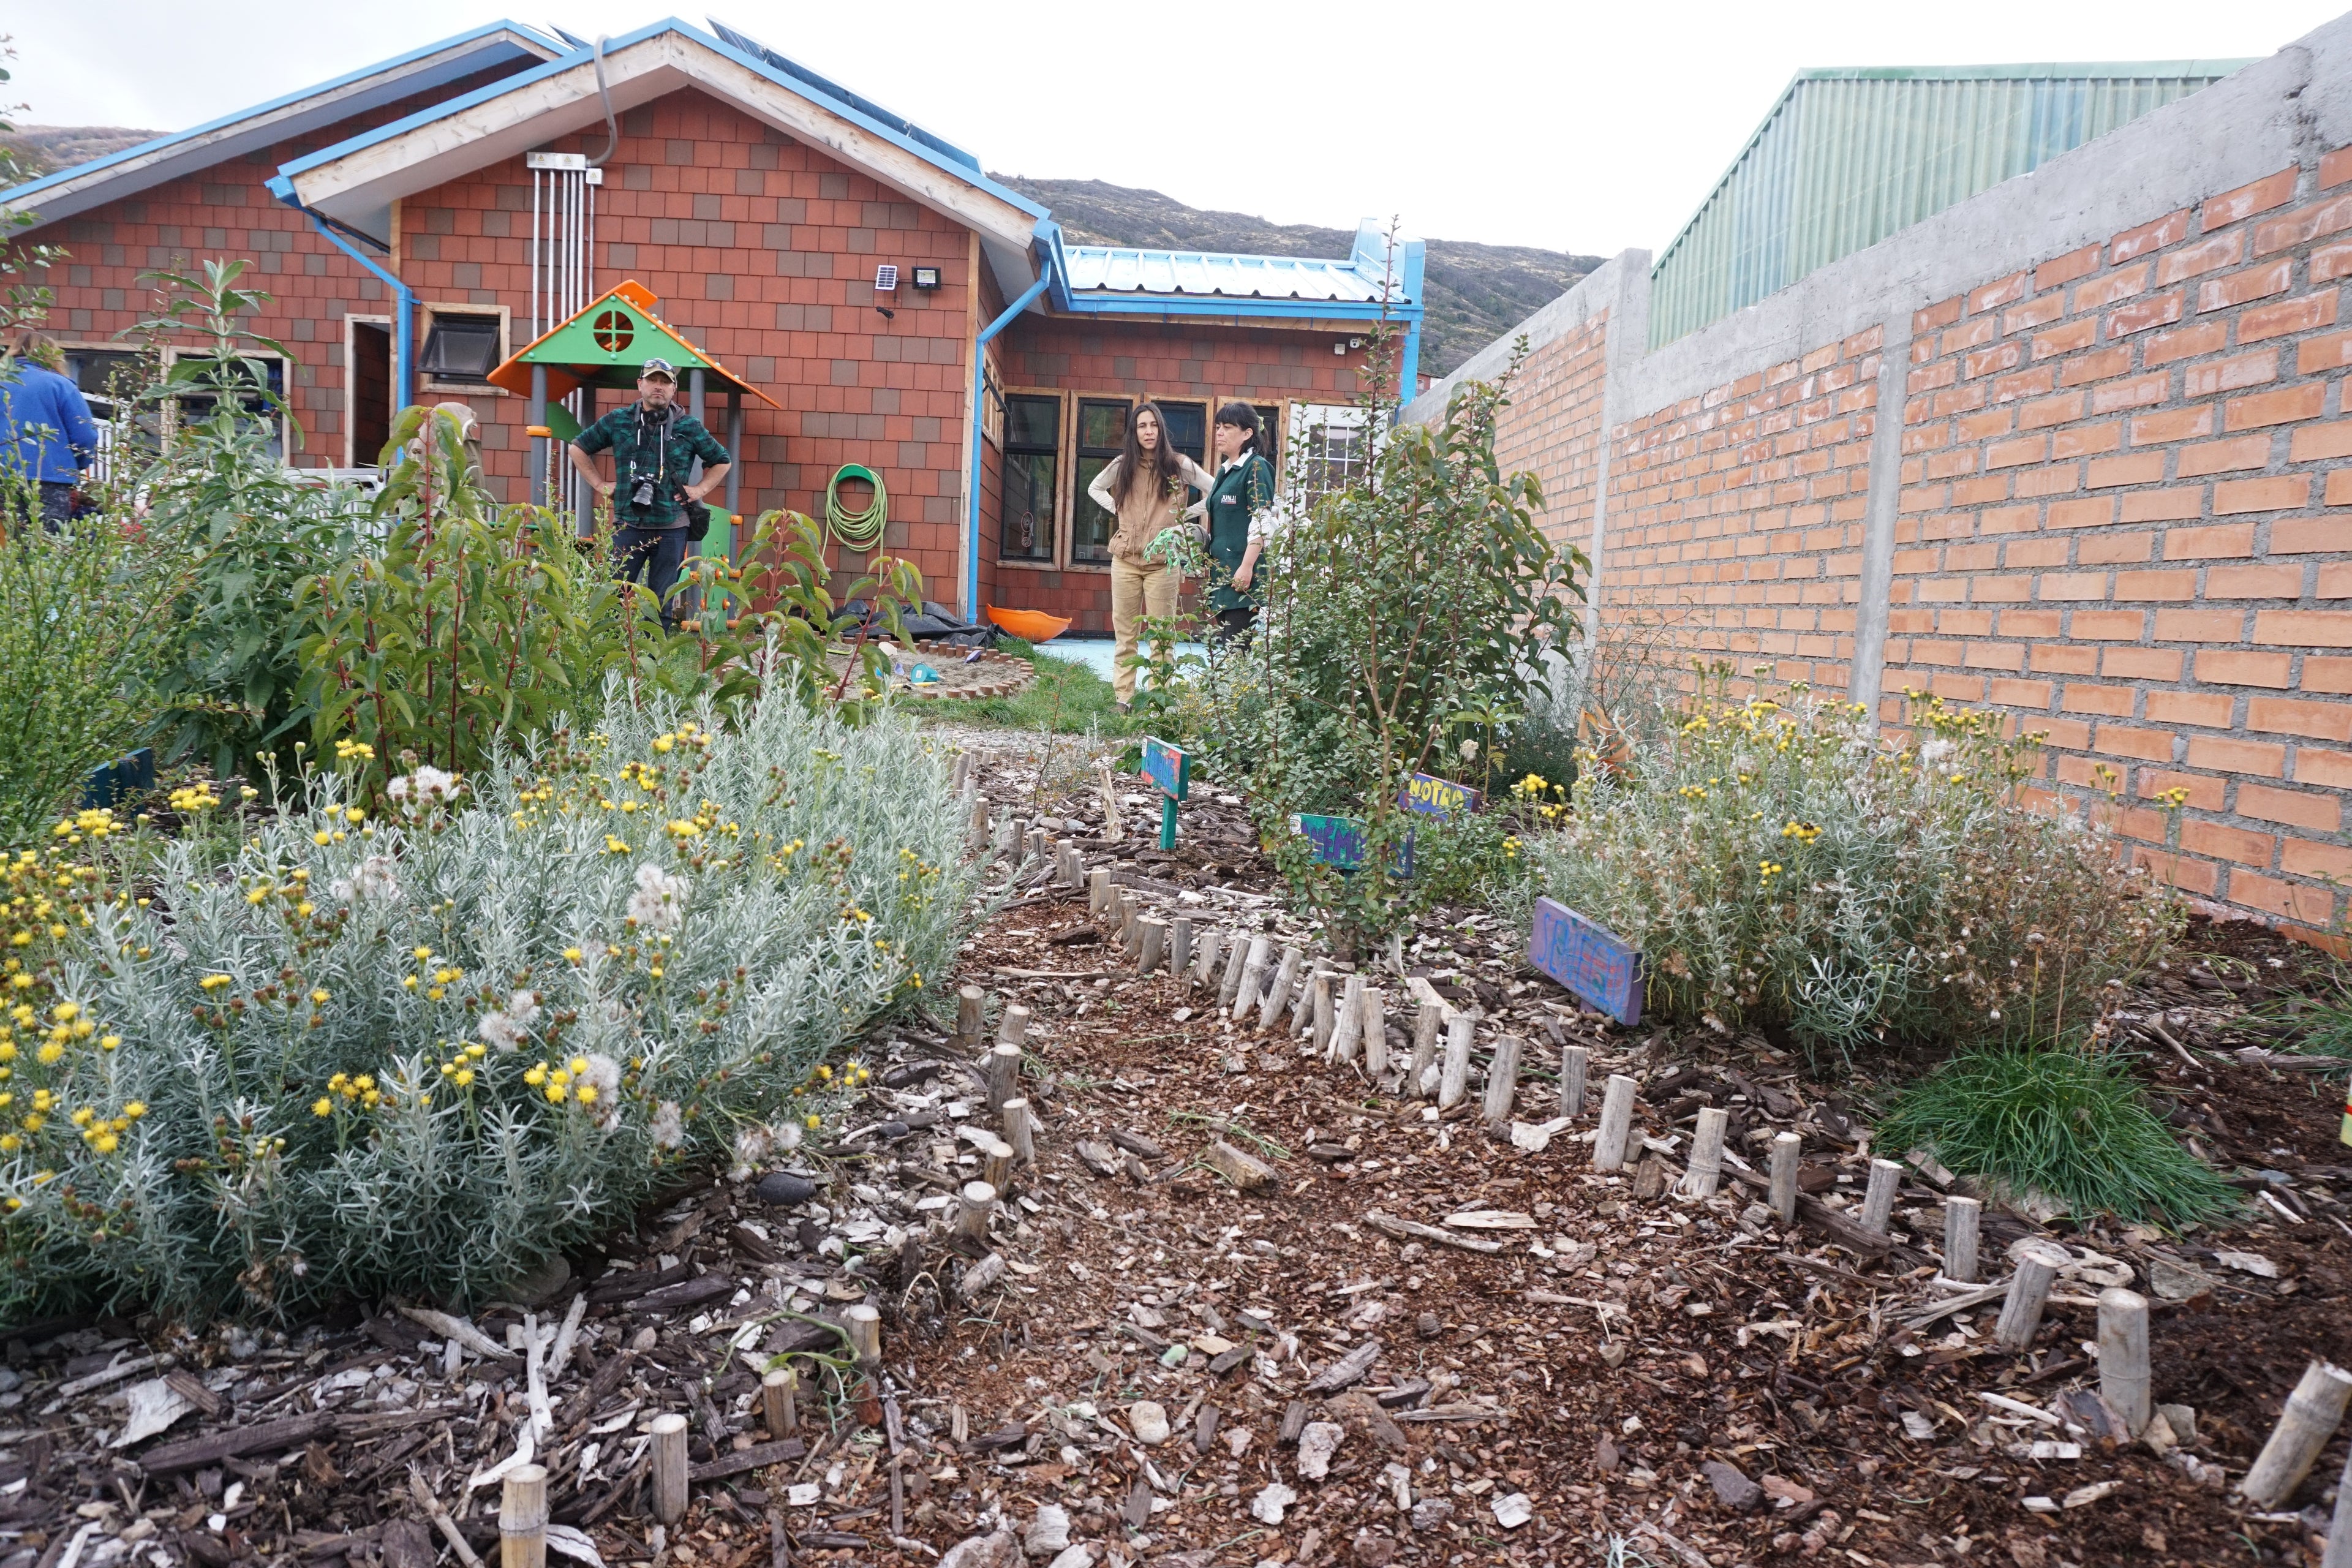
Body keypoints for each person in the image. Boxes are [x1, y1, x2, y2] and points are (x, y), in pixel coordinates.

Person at [567, 358, 730, 626]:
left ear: (674, 389)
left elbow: (722, 460)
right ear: (640, 384)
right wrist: (600, 485)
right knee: (613, 597)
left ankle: (651, 664)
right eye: (653, 380)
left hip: (673, 527)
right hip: (628, 523)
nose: (659, 386)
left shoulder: (689, 426)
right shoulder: (618, 421)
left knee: (660, 603)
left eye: (665, 381)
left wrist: (699, 489)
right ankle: (612, 660)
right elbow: (577, 447)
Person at [1087, 401, 1216, 709]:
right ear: (1134, 431)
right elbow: (1095, 488)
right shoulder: (1123, 464)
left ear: (1161, 429)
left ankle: (1160, 702)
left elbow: (1214, 490)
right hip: (1126, 560)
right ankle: (1124, 699)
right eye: (1142, 426)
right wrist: (1119, 512)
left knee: (1162, 635)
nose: (1148, 431)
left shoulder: (1179, 464)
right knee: (1125, 633)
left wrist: (1184, 517)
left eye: (1153, 425)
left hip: (1163, 564)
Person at [0, 333, 99, 532]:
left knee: (5, 550)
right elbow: (85, 436)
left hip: (4, 477)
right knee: (46, 550)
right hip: (51, 480)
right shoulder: (60, 385)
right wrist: (75, 466)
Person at [1202, 402, 1276, 647]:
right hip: (1222, 576)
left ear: (1247, 434)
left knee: (1238, 654)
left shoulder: (1256, 468)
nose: (1220, 432)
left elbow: (1262, 520)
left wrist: (1247, 567)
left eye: (1228, 427)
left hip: (1245, 579)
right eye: (1218, 427)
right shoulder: (1226, 472)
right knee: (1228, 650)